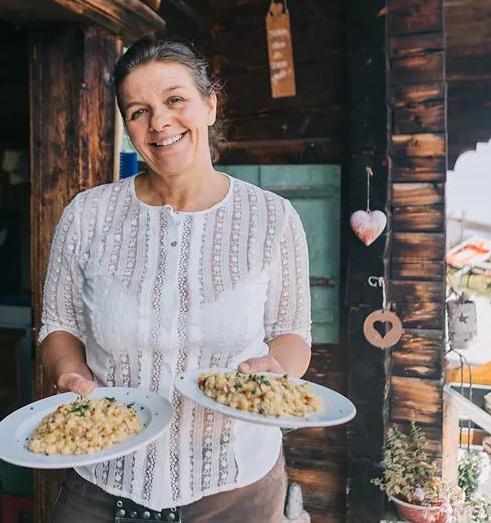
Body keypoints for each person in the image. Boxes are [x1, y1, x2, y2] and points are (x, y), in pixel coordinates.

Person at [39, 36, 312, 523]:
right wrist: (68, 374)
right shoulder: (88, 215)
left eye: (174, 100)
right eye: (138, 111)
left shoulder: (273, 218)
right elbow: (58, 325)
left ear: (209, 104)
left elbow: (293, 333)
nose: (159, 122)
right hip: (103, 479)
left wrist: (276, 369)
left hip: (236, 487)